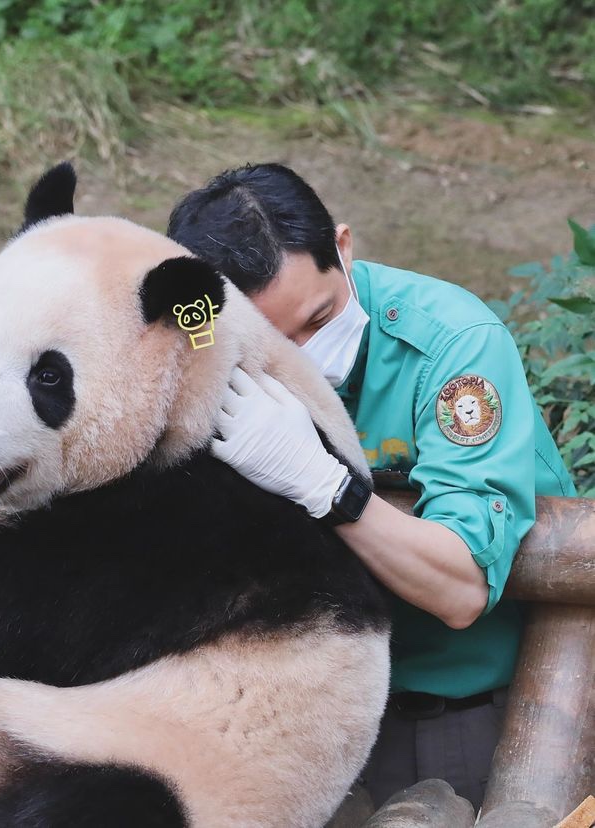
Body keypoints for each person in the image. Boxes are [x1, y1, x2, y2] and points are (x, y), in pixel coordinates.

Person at [166, 163, 576, 811]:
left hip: (457, 710)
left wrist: (332, 490)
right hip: (297, 715)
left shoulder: (452, 346)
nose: (301, 355)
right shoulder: (203, 351)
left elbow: (460, 587)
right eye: (271, 341)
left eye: (319, 318)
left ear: (345, 248)